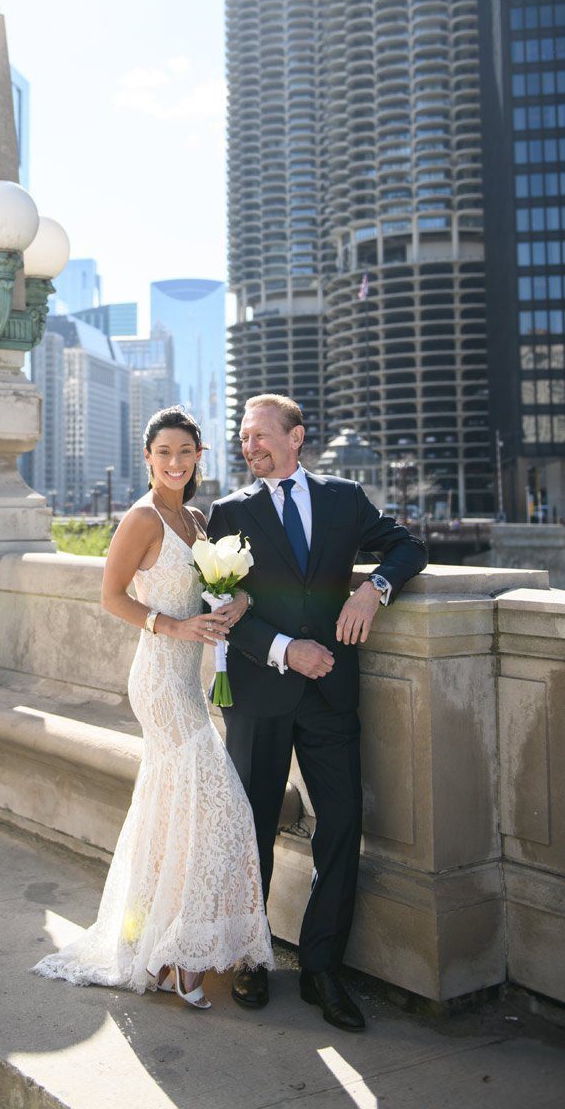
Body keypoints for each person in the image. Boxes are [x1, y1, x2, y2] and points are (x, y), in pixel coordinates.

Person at [33, 406, 275, 1009]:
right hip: (160, 682)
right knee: (222, 809)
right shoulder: (142, 518)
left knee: (174, 813)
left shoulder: (194, 518)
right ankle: (176, 954)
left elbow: (227, 584)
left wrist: (231, 606)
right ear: (148, 457)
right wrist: (172, 626)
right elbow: (110, 595)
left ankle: (167, 954)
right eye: (163, 452)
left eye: (185, 453)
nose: (174, 462)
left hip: (188, 680)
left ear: (200, 458)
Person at [208, 394, 428, 1031]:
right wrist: (285, 649)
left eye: (260, 435)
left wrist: (373, 587)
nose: (250, 446)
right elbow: (221, 609)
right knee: (251, 829)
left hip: (331, 694)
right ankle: (251, 954)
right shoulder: (228, 512)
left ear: (296, 436)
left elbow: (407, 546)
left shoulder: (343, 498)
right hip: (261, 694)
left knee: (341, 824)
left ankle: (321, 967)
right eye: (243, 437)